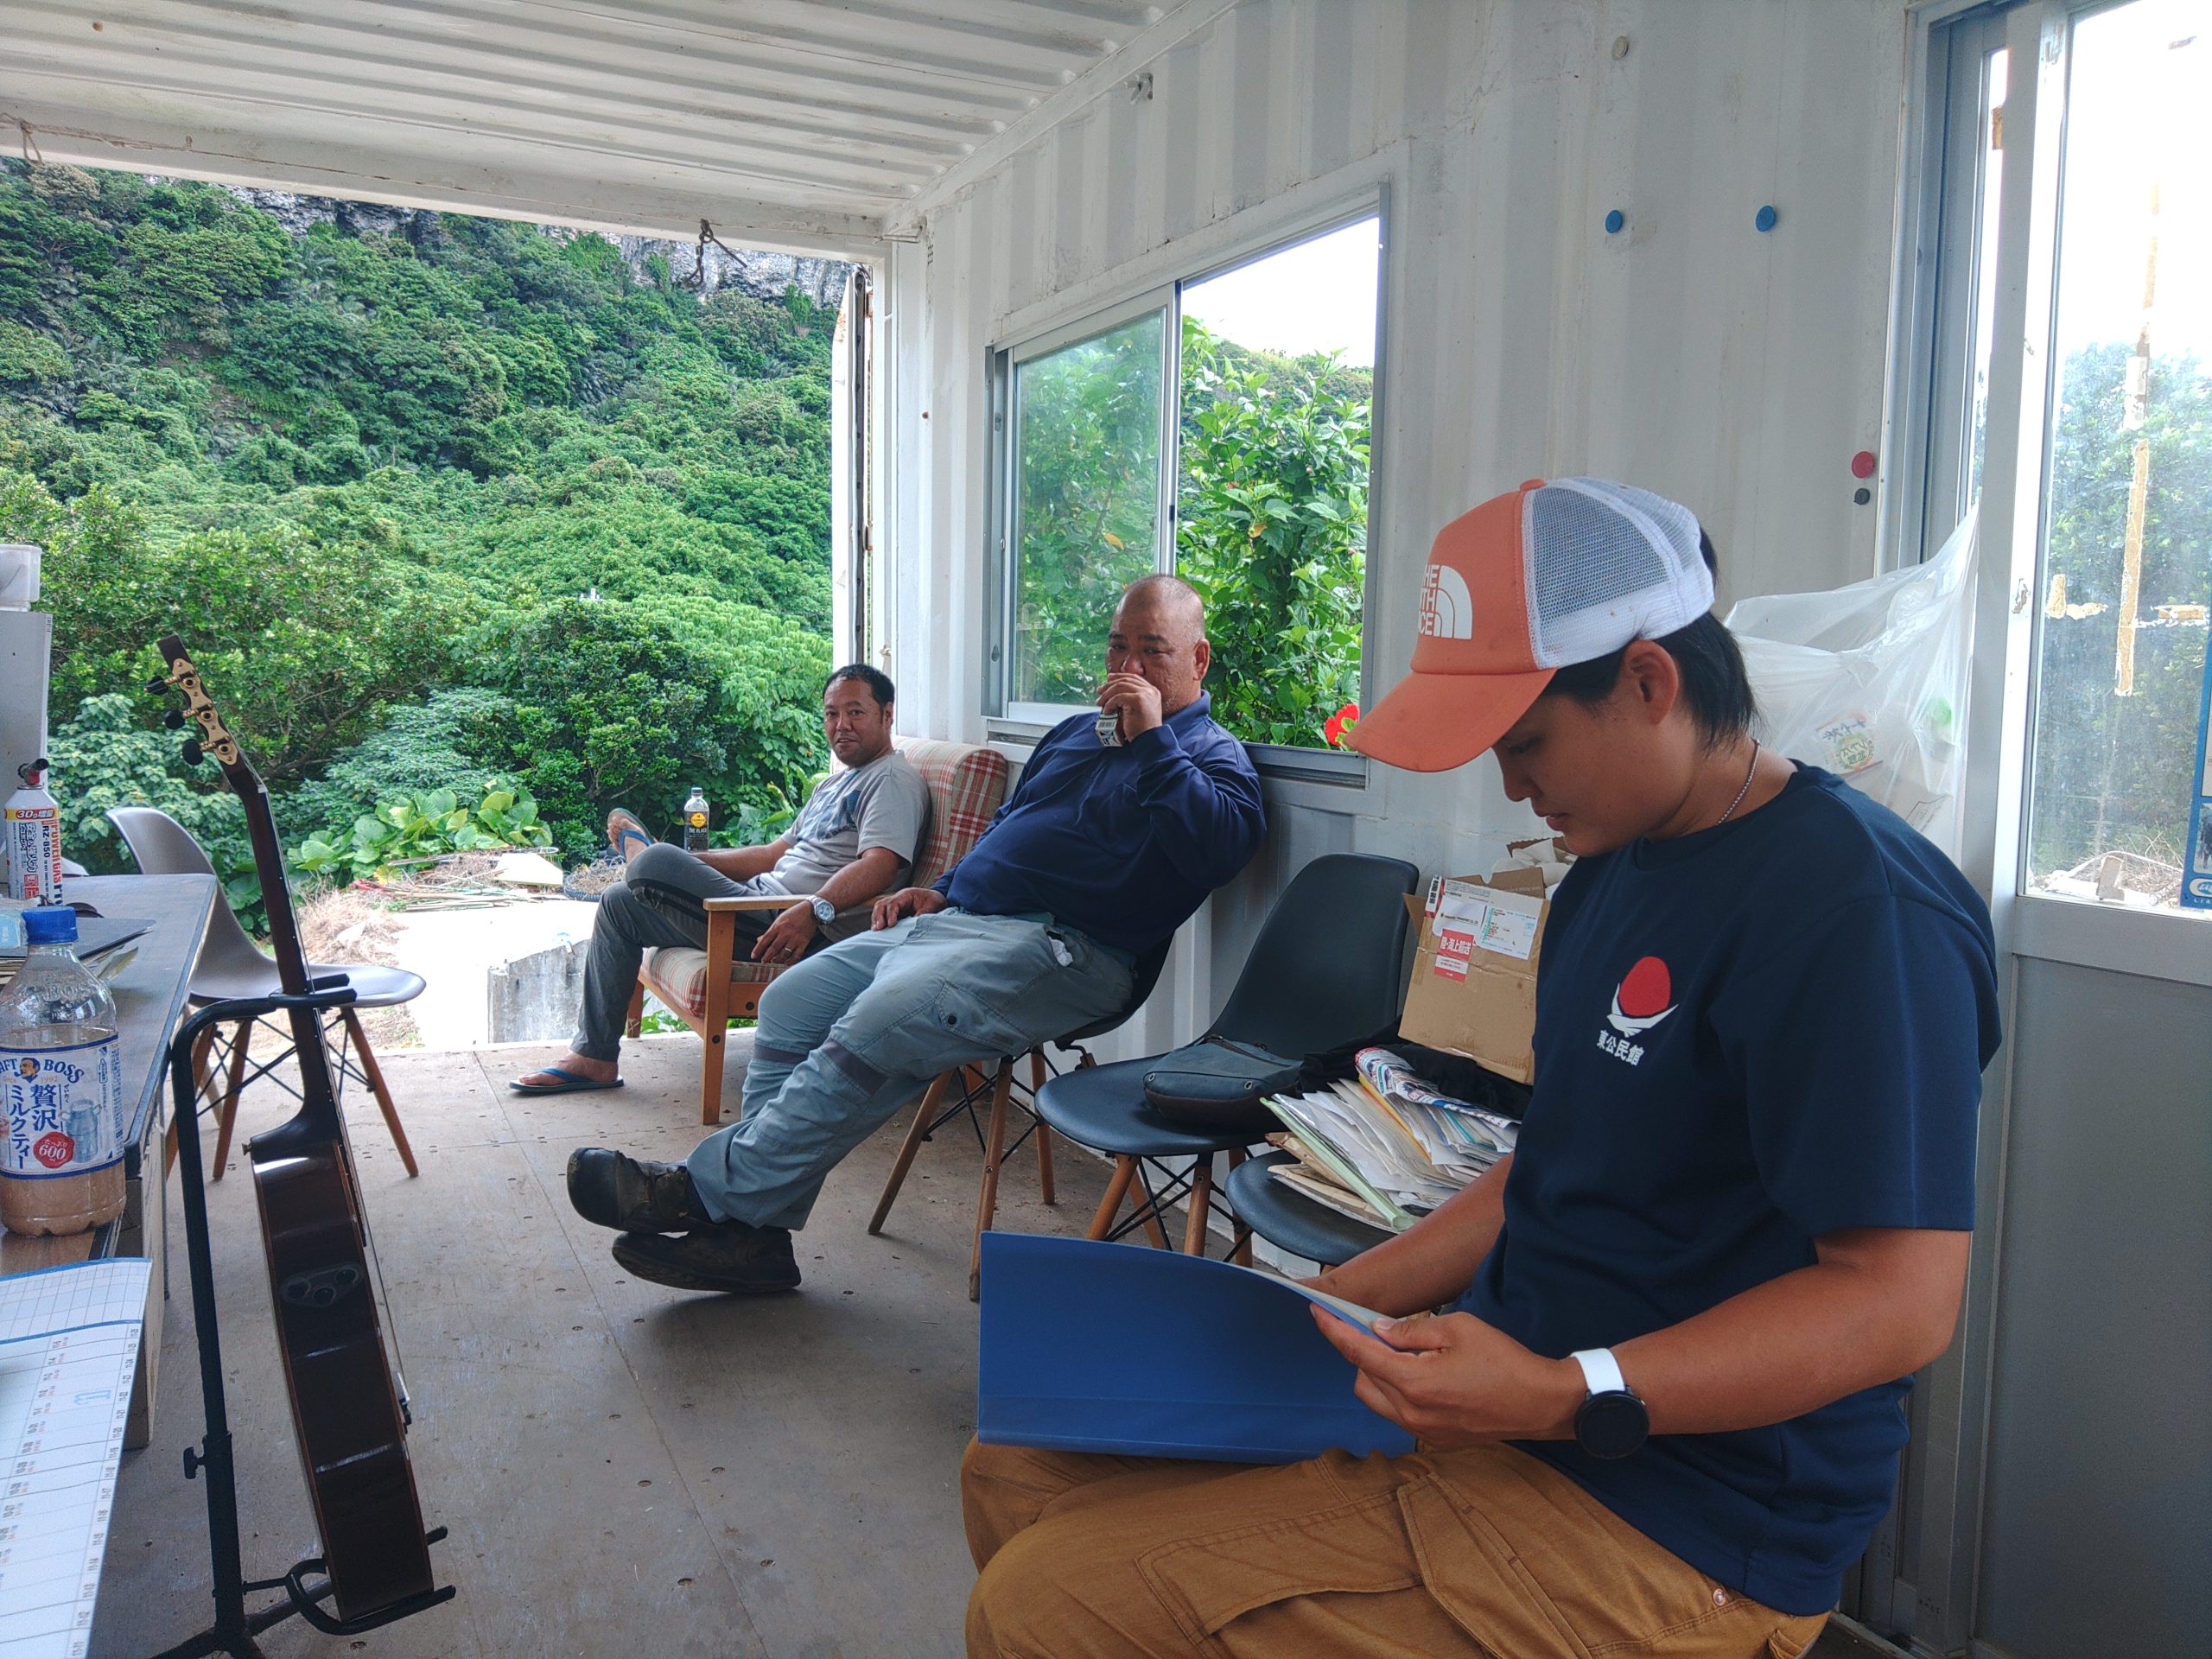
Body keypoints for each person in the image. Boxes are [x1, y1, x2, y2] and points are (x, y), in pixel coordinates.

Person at [960, 479, 2002, 1659]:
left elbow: (1896, 1302)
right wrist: (1328, 1309)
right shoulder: (1611, 873)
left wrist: (1565, 1392)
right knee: (1021, 1463)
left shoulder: (1858, 915)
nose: (1511, 786)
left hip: (1672, 1512)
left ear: (1649, 682)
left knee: (1047, 1607)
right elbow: (1548, 1165)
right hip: (1502, 1405)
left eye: (1527, 743)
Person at [565, 575, 1267, 1293]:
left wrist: (1153, 742)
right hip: (961, 920)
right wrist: (942, 888)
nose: (1129, 669)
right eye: (1118, 648)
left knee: (879, 1020)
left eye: (1153, 651)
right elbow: (1008, 832)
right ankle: (753, 1241)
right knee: (790, 1003)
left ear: (1198, 660)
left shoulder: (1213, 758)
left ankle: (703, 1192)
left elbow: (1216, 851)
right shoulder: (1073, 736)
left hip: (1069, 950)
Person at [511, 665, 928, 1096]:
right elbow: (772, 855)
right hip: (754, 905)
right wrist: (691, 863)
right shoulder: (835, 784)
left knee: (652, 863)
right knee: (619, 904)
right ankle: (595, 1058)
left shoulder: (891, 780)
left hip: (791, 929)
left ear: (887, 714)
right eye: (831, 714)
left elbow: (880, 865)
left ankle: (644, 859)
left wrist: (812, 910)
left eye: (855, 712)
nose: (841, 725)